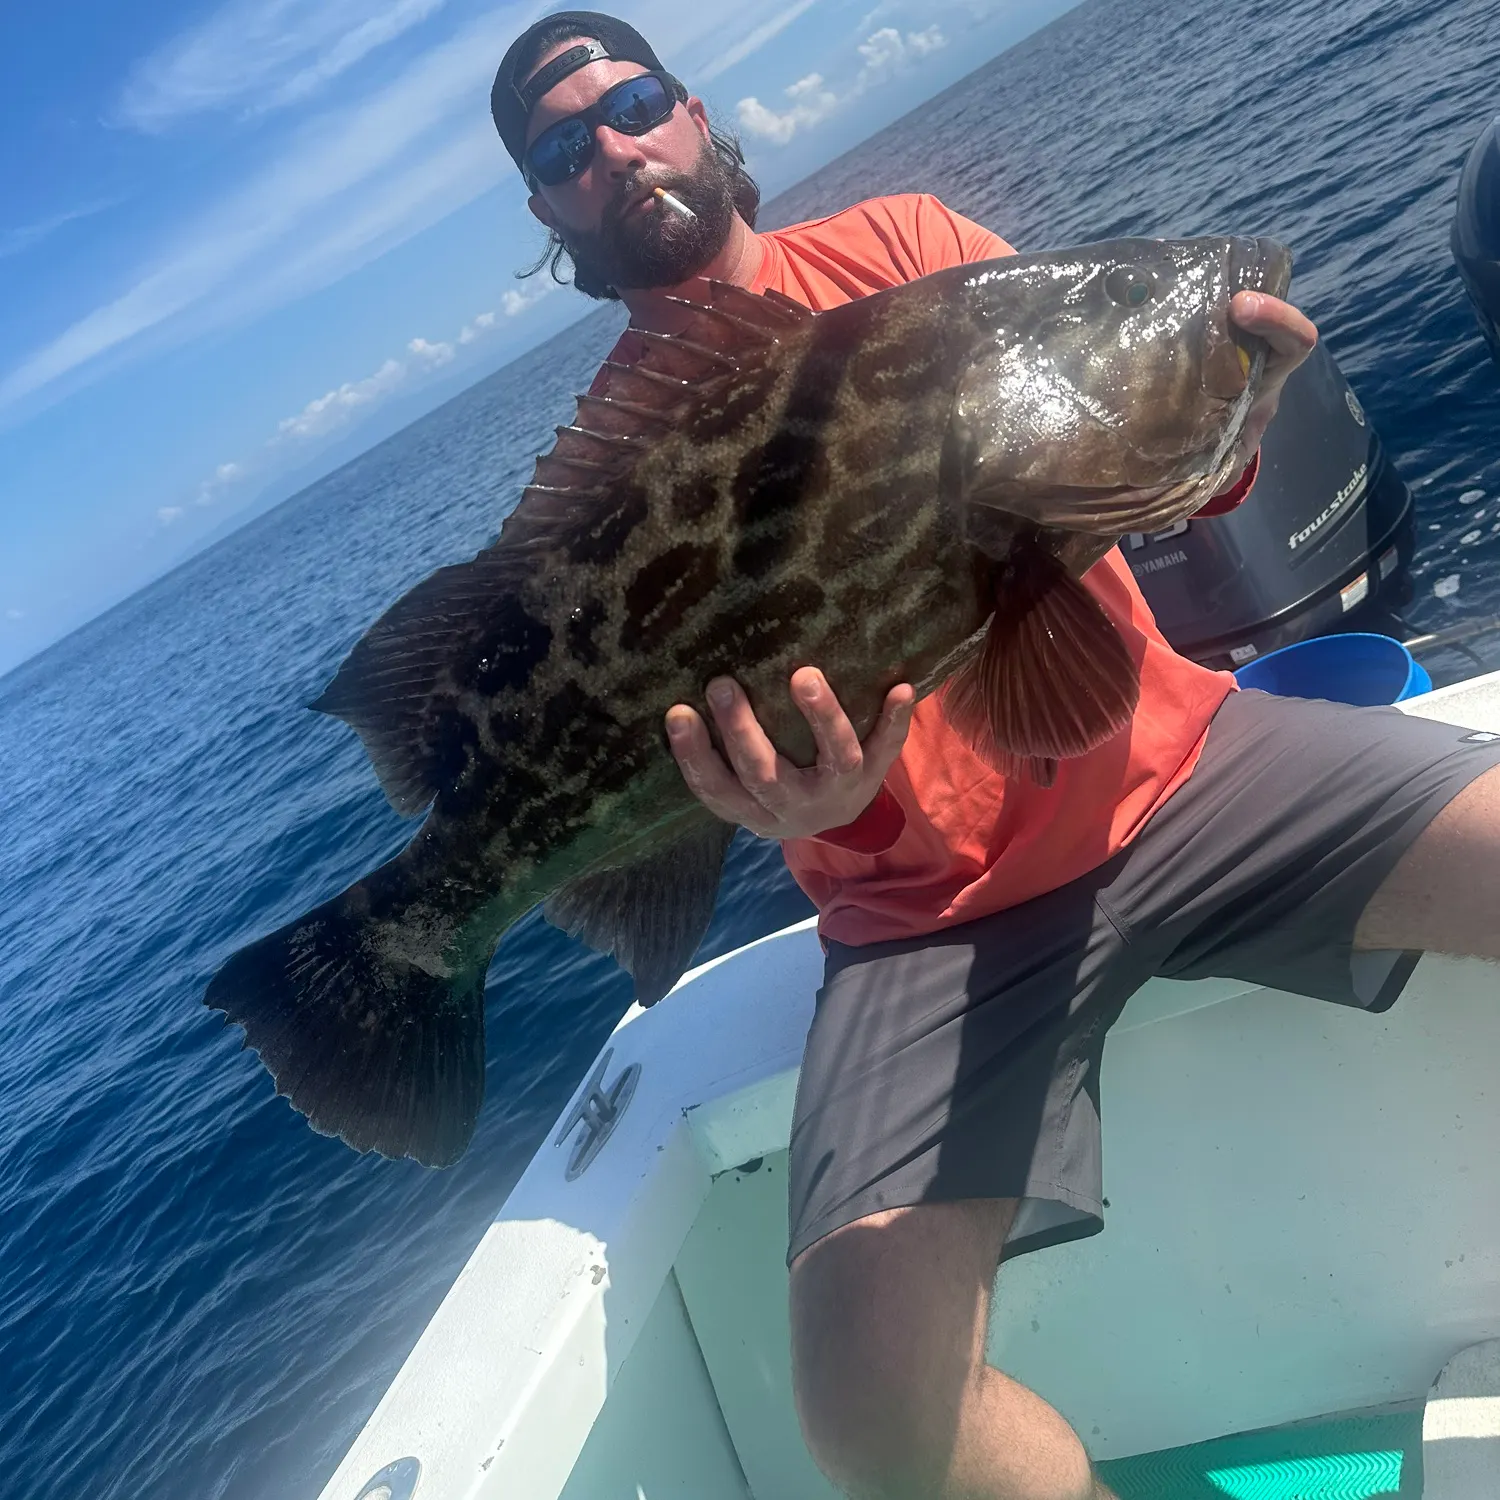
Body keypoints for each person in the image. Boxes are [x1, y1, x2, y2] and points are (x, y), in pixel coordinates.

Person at [490, 15, 1500, 1499]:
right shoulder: (617, 461)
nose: (613, 147)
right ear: (548, 209)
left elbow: (1111, 449)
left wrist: (1230, 415)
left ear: (694, 115)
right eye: (564, 146)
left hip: (1191, 773)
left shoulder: (907, 244)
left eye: (631, 103)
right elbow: (686, 716)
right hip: (928, 925)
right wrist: (802, 809)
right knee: (872, 1413)